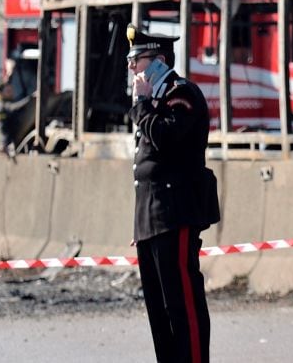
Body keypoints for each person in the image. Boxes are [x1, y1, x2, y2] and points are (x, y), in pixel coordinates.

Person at [126, 23, 220, 363]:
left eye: (137, 61)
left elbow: (166, 139)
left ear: (159, 62)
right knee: (159, 310)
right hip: (152, 220)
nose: (131, 68)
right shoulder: (152, 102)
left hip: (176, 214)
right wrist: (140, 224)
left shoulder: (181, 95)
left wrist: (142, 106)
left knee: (183, 304)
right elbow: (145, 172)